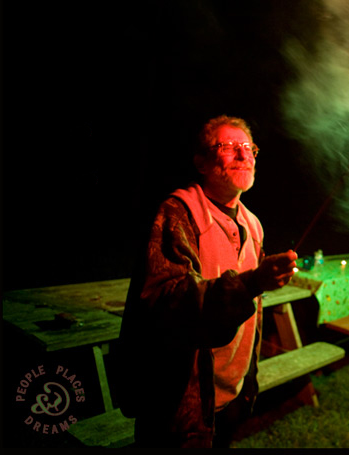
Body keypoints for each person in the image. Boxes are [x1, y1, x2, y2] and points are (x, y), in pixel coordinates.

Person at [115, 115, 298, 448]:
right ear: (201, 162)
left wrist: (248, 382)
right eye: (228, 147)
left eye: (248, 147)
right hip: (179, 404)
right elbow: (167, 301)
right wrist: (250, 283)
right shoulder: (177, 213)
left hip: (233, 392)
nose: (244, 155)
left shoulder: (253, 224)